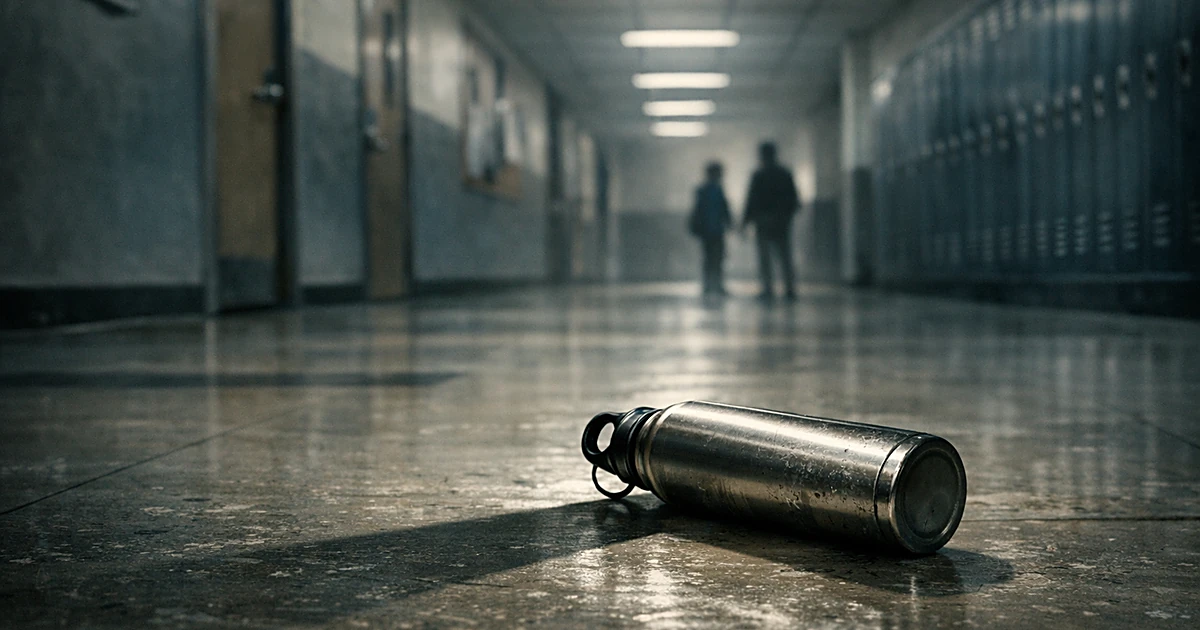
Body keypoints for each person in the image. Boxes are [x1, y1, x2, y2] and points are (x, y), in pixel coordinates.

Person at [742, 142, 801, 300]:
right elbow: (794, 199)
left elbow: (751, 200)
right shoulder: (784, 173)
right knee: (784, 256)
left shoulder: (759, 175)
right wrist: (786, 216)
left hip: (764, 221)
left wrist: (746, 221)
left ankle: (768, 288)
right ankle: (789, 288)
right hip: (781, 220)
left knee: (766, 257)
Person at [688, 161, 733, 296]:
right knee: (714, 258)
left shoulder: (706, 190)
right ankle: (713, 285)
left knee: (713, 258)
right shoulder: (714, 190)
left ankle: (712, 285)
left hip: (711, 230)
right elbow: (723, 209)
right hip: (711, 230)